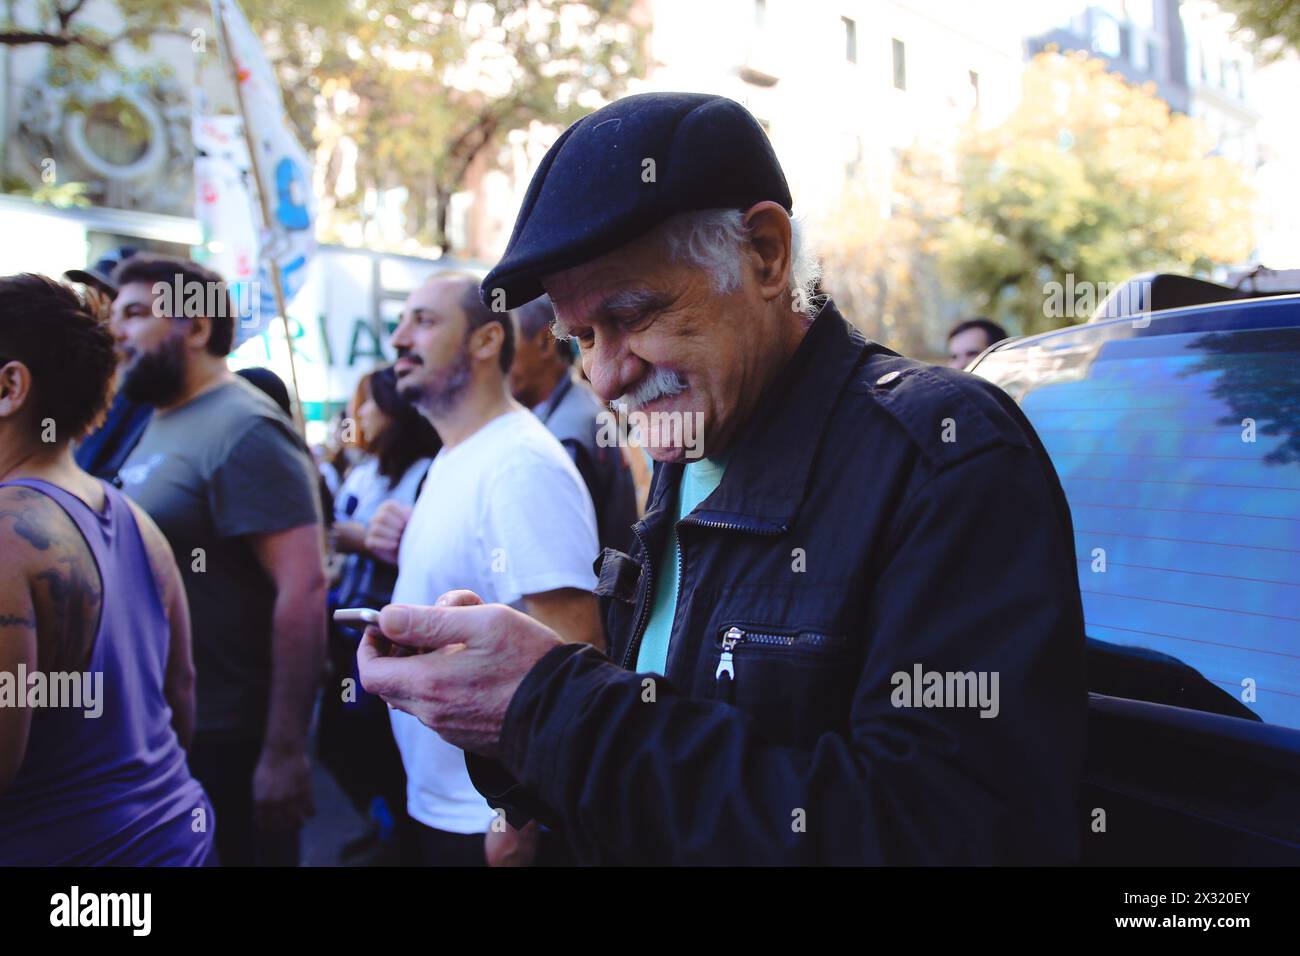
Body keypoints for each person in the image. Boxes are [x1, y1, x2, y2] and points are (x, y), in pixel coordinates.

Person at [358, 92, 1087, 865]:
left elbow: (935, 832)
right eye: (581, 339)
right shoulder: (692, 448)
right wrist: (508, 727)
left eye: (633, 315)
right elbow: (669, 746)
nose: (604, 376)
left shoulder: (943, 455)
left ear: (765, 254)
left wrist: (548, 706)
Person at [362, 272, 603, 866]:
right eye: (402, 319)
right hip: (437, 804)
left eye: (424, 320)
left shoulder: (521, 463)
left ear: (486, 340)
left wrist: (519, 814)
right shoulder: (454, 454)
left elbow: (575, 653)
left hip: (485, 824)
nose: (397, 338)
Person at [109, 254, 326, 866]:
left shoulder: (244, 427)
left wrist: (284, 751)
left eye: (134, 314)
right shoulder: (158, 420)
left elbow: (304, 589)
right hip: (168, 731)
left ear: (196, 327)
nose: (116, 333)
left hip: (232, 739)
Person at [0, 273, 213, 865]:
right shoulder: (136, 519)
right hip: (175, 837)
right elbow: (181, 695)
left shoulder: (6, 532)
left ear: (10, 386)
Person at [319, 365, 439, 862]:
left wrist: (361, 538)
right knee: (336, 738)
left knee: (380, 739)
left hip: (391, 631)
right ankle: (382, 816)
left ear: (394, 410)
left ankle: (398, 832)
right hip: (344, 626)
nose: (358, 415)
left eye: (368, 403)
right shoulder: (364, 470)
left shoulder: (427, 471)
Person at [510, 295, 639, 551]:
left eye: (507, 343)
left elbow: (550, 553)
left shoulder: (566, 435)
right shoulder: (574, 408)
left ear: (545, 343)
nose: (498, 361)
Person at [64, 249, 154, 480]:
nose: (97, 308)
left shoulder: (151, 385)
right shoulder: (75, 374)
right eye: (91, 293)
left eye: (108, 296)